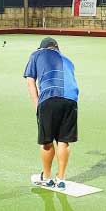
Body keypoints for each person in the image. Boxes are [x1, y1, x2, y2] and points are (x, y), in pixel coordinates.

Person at [24, 37, 79, 191]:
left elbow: (30, 81)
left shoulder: (37, 54)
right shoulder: (68, 60)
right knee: (63, 140)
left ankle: (47, 178)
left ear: (42, 48)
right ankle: (61, 179)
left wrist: (37, 106)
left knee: (47, 142)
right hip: (71, 99)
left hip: (49, 97)